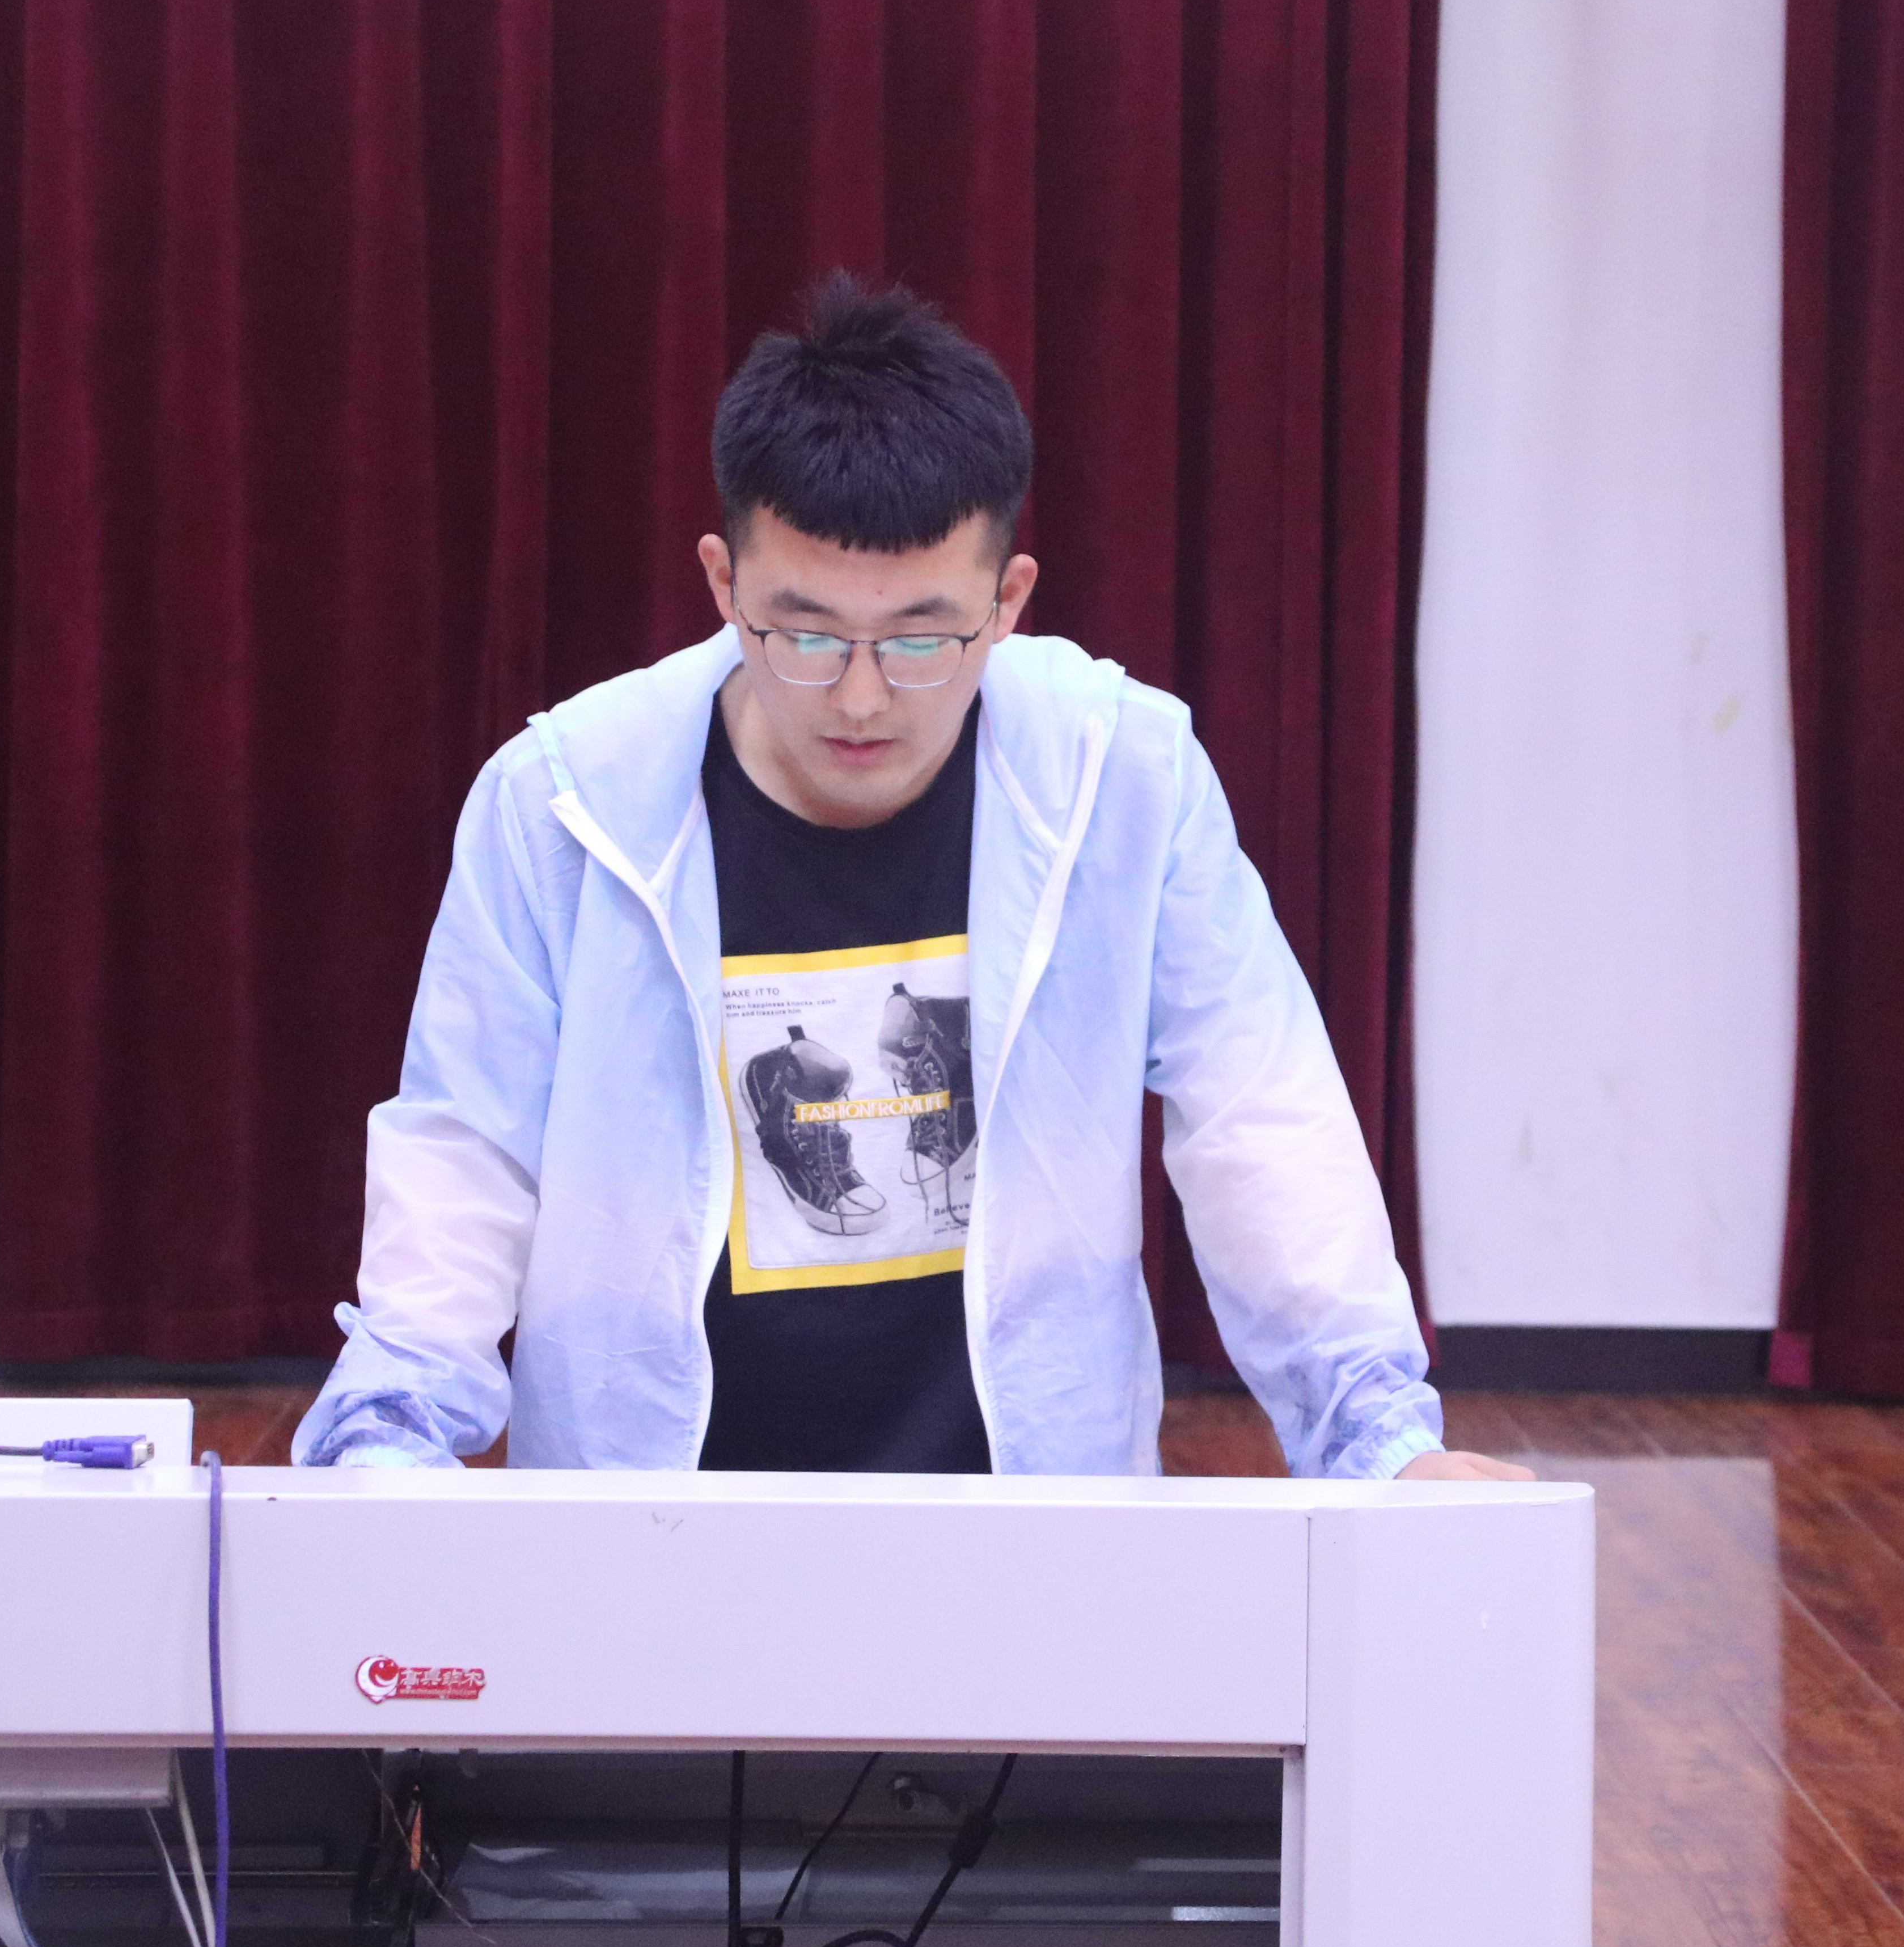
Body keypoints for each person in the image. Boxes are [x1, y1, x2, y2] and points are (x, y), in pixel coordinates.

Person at [295, 274, 1526, 1483]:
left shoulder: (1119, 777)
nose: (862, 696)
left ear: (1008, 600)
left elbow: (1258, 1115)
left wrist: (1376, 1437)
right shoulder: (566, 802)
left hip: (1026, 1513)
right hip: (658, 1509)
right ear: (723, 583)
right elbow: (466, 1149)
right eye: (806, 632)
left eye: (923, 638)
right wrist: (392, 1430)